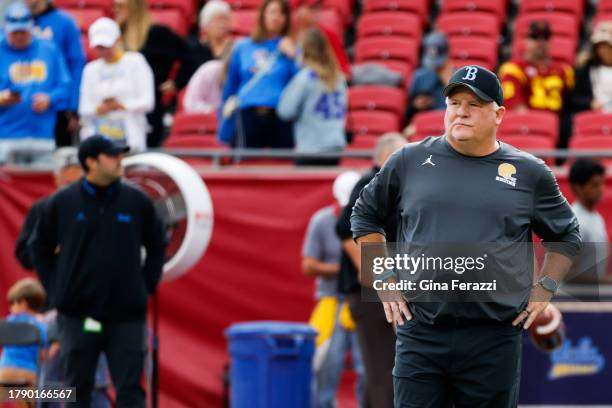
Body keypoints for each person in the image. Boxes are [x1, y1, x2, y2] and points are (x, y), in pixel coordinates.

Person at [350, 65, 581, 407]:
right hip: (422, 332)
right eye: (455, 102)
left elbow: (567, 236)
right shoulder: (408, 160)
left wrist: (544, 288)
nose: (462, 111)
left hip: (493, 336)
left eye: (474, 104)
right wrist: (384, 279)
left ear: (498, 113)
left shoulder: (529, 173)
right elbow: (364, 216)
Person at [30, 135, 167, 407]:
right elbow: (37, 247)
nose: (120, 161)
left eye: (121, 155)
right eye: (113, 156)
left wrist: (145, 287)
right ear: (90, 162)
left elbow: (158, 243)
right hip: (77, 314)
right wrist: (57, 290)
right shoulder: (61, 202)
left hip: (126, 315)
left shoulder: (137, 201)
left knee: (130, 391)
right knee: (75, 390)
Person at [336, 133, 405, 408]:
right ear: (386, 157)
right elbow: (343, 228)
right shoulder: (372, 182)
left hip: (385, 291)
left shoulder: (393, 187)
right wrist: (373, 273)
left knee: (383, 368)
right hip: (373, 294)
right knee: (384, 368)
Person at [303, 171, 364, 408]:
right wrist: (348, 268)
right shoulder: (321, 221)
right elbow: (308, 265)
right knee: (326, 365)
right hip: (333, 301)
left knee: (368, 367)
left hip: (362, 301)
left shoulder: (373, 221)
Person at [114, 0, 193, 147]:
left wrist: (176, 83)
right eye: (115, 5)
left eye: (121, 6)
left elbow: (190, 57)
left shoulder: (156, 33)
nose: (116, 10)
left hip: (148, 108)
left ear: (134, 8)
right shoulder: (115, 36)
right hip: (119, 111)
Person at [220, 0, 299, 148]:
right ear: (263, 15)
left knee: (283, 166)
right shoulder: (243, 46)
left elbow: (303, 80)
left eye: (282, 13)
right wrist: (224, 125)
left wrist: (293, 54)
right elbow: (231, 86)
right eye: (273, 12)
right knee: (245, 165)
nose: (277, 17)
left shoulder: (292, 48)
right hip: (247, 114)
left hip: (280, 115)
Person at [0, 2, 71, 164]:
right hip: (5, 137)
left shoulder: (49, 49)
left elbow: (65, 87)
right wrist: (2, 98)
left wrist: (50, 99)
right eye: (14, 32)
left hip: (42, 136)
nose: (19, 36)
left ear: (31, 26)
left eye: (23, 31)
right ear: (5, 28)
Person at [79, 17, 155, 152]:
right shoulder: (90, 70)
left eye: (107, 46)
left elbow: (148, 102)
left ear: (118, 39)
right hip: (99, 140)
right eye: (100, 47)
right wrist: (99, 109)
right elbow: (84, 108)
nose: (104, 51)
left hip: (132, 137)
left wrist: (122, 106)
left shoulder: (136, 62)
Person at [278, 28, 347, 165]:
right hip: (335, 147)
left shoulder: (305, 77)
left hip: (311, 148)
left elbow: (285, 111)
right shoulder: (339, 77)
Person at [498, 21, 574, 146]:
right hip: (527, 128)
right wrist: (539, 126)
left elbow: (570, 105)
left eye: (545, 37)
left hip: (560, 129)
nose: (540, 42)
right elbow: (515, 107)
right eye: (534, 37)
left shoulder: (564, 70)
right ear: (525, 41)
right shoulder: (512, 68)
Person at [27, 0, 86, 147]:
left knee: (60, 158)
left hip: (58, 105)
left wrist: (74, 107)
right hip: (23, 108)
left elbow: (76, 64)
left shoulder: (65, 23)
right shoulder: (16, 22)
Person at [15, 147, 82, 274]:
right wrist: (49, 249)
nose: (72, 190)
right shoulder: (43, 208)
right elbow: (24, 255)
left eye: (77, 183)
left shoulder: (97, 207)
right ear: (56, 179)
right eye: (68, 183)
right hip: (56, 285)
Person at [0, 278, 47, 387]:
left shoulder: (7, 322)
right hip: (29, 373)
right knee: (29, 398)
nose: (10, 308)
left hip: (4, 370)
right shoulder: (40, 326)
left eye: (13, 303)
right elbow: (43, 355)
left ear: (23, 304)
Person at [570, 159, 609, 279]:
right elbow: (564, 273)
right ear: (578, 188)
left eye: (602, 183)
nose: (601, 189)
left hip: (592, 294)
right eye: (594, 185)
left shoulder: (597, 218)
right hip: (575, 295)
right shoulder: (572, 222)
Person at [404, 32, 454, 126]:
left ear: (447, 55)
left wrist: (448, 82)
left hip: (448, 126)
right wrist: (417, 105)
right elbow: (408, 114)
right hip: (426, 125)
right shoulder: (420, 76)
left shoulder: (458, 76)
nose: (435, 66)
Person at [291, 0, 350, 76]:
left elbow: (345, 72)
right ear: (298, 11)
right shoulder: (288, 36)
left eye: (318, 7)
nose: (316, 12)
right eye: (311, 8)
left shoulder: (328, 35)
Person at [573, 21, 612, 113]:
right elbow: (574, 99)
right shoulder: (586, 69)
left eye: (607, 46)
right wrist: (589, 103)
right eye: (599, 46)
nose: (603, 50)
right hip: (596, 117)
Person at [183, 45, 232, 113]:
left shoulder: (246, 76)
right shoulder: (209, 70)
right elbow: (191, 104)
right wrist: (214, 111)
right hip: (204, 119)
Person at [187, 0, 233, 69]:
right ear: (206, 24)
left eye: (225, 20)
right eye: (217, 20)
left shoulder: (234, 47)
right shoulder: (196, 48)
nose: (221, 24)